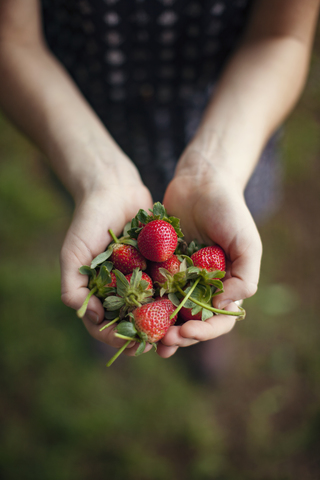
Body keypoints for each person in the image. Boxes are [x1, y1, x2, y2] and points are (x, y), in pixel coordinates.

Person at [0, 0, 319, 361]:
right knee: (95, 226)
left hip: (229, 114)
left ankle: (199, 314)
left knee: (221, 249)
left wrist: (217, 170)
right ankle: (122, 307)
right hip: (79, 116)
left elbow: (281, 36)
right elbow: (11, 39)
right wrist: (97, 176)